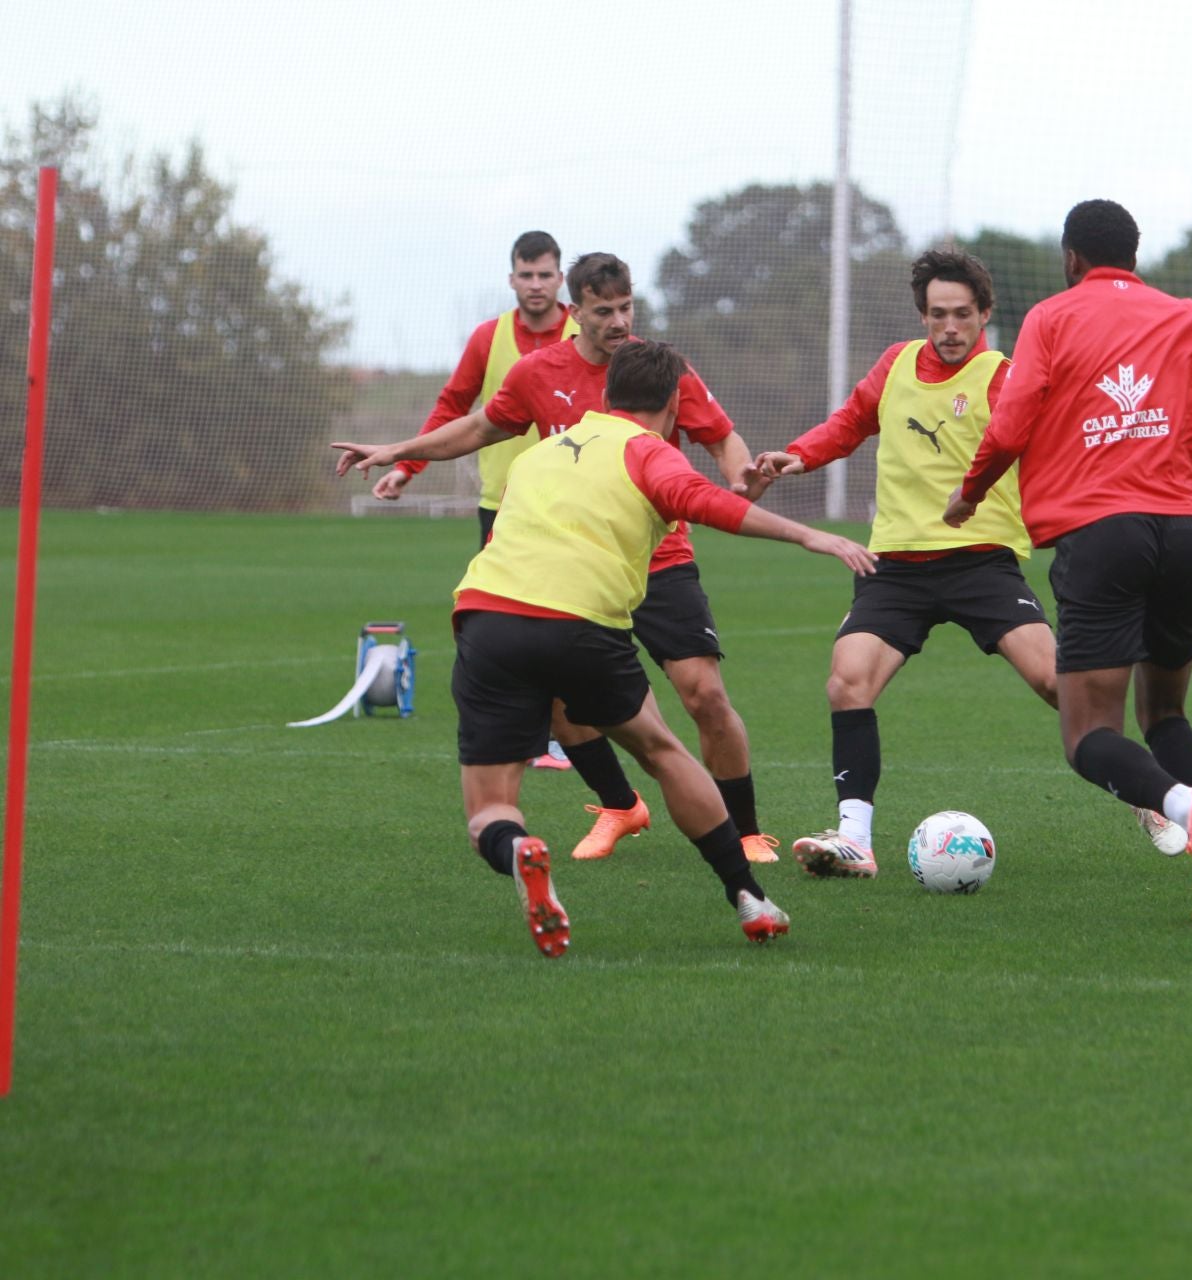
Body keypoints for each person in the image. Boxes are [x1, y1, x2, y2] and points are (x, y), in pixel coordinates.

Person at [357, 341, 876, 955]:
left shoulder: (540, 453)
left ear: (604, 397)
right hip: (581, 627)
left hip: (486, 618)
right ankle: (747, 894)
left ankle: (519, 847)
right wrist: (812, 537)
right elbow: (711, 504)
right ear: (675, 402)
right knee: (662, 750)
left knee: (489, 812)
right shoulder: (649, 454)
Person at [942, 199, 1192, 925]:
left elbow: (1013, 419)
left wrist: (970, 495)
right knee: (1166, 711)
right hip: (1184, 533)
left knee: (1090, 736)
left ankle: (1187, 807)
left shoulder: (1052, 318)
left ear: (1071, 258)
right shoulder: (1190, 315)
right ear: (1135, 255)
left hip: (1101, 537)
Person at [339, 253, 782, 867]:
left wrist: (740, 476)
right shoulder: (537, 371)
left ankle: (747, 830)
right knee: (562, 705)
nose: (620, 322)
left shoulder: (659, 369)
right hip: (572, 567)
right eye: (605, 312)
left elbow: (720, 435)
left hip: (660, 557)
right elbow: (477, 428)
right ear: (575, 312)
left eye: (627, 308)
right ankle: (620, 805)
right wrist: (400, 452)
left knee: (702, 692)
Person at [754, 249, 1185, 877]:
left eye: (961, 315)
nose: (949, 328)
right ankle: (854, 838)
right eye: (937, 315)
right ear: (922, 316)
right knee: (848, 679)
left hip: (981, 563)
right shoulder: (895, 365)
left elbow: (1056, 445)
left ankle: (1149, 797)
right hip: (896, 565)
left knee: (1056, 683)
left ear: (985, 313)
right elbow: (849, 424)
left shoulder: (1003, 376)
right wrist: (797, 455)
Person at [374, 230, 578, 768]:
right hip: (503, 505)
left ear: (561, 278)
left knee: (568, 617)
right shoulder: (489, 338)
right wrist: (407, 467)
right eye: (525, 275)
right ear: (511, 279)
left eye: (545, 274)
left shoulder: (590, 331)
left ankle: (566, 734)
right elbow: (453, 407)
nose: (535, 285)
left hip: (578, 504)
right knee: (505, 619)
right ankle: (528, 734)